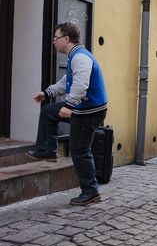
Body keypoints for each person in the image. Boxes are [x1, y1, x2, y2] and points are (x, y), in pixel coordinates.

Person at [26, 23, 108, 206]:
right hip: (85, 107)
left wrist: (69, 105)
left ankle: (91, 192)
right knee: (48, 111)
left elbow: (81, 84)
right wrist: (47, 93)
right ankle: (47, 149)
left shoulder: (80, 57)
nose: (54, 42)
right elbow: (66, 81)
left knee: (79, 150)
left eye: (56, 38)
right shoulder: (75, 56)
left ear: (66, 39)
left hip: (89, 111)